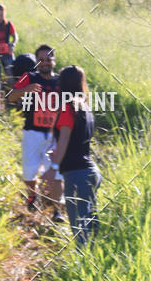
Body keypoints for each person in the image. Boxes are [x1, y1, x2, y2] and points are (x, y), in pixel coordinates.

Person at [8, 46, 63, 221]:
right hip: (32, 132)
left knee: (55, 173)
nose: (45, 63)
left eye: (49, 59)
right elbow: (10, 97)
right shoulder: (29, 77)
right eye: (42, 59)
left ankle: (57, 210)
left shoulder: (61, 81)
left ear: (54, 61)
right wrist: (26, 89)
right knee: (29, 171)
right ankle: (32, 195)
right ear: (37, 62)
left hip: (54, 135)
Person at [50, 65, 101, 246]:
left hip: (76, 175)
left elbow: (63, 140)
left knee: (80, 232)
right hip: (91, 172)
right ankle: (97, 265)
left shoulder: (67, 107)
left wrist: (53, 164)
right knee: (92, 228)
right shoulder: (85, 108)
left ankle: (86, 267)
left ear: (62, 84)